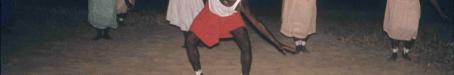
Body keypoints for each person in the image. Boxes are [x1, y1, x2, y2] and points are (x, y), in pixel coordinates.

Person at [185, 0, 295, 75]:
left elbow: (257, 23)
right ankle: (198, 73)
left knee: (245, 44)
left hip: (230, 17)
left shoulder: (241, 3)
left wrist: (277, 44)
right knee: (190, 40)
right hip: (210, 13)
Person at [385, 0, 449, 61]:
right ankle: (394, 53)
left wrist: (441, 12)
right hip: (398, 6)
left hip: (412, 7)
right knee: (395, 29)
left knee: (412, 29)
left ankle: (405, 52)